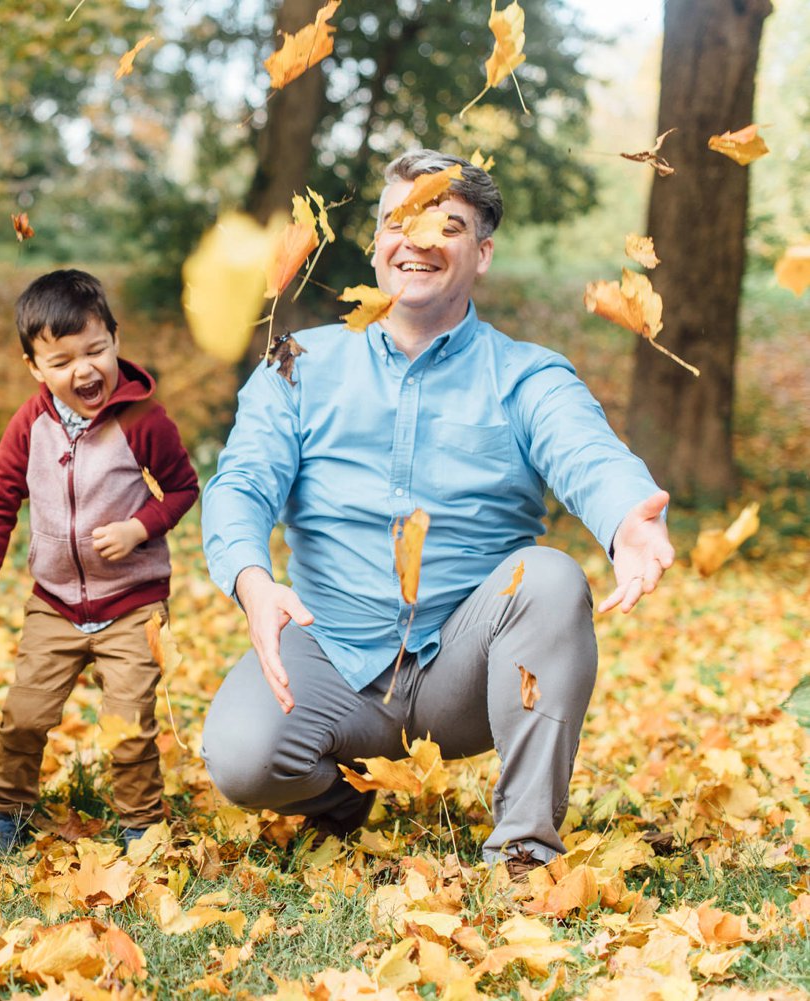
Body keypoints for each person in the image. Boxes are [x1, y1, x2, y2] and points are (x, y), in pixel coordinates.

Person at [200, 150, 674, 877]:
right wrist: (251, 579)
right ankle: (339, 797)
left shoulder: (527, 375)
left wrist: (624, 518)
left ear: (481, 253)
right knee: (241, 757)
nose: (416, 239)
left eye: (445, 224)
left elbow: (586, 451)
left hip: (466, 668)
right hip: (331, 649)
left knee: (547, 576)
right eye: (398, 220)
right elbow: (242, 483)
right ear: (377, 244)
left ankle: (522, 849)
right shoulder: (296, 362)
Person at [0, 269, 200, 853]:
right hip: (55, 604)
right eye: (63, 360)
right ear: (35, 368)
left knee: (128, 725)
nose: (85, 370)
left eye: (96, 350)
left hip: (133, 605)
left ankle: (140, 824)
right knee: (23, 717)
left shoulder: (142, 420)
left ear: (116, 340)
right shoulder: (30, 426)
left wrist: (139, 527)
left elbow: (184, 488)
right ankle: (9, 813)